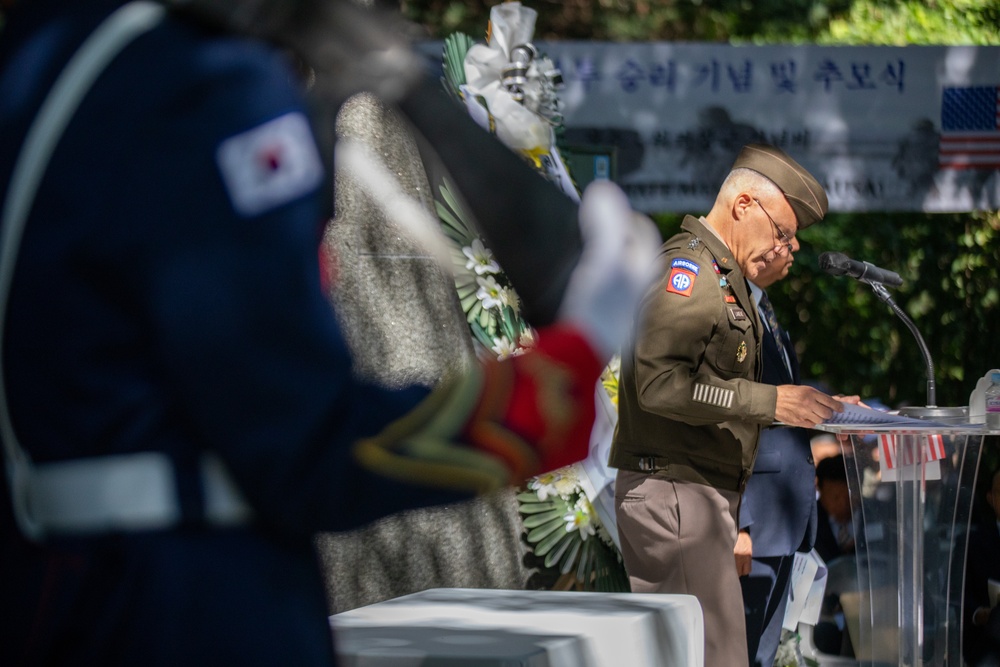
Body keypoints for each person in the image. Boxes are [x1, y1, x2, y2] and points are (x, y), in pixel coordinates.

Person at [0, 1, 660, 665]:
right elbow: (306, 445)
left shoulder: (44, 61)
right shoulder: (208, 86)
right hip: (191, 613)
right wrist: (559, 379)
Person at [610, 142, 844, 667]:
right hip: (676, 492)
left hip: (694, 492)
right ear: (743, 205)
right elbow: (661, 384)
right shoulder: (689, 273)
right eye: (782, 232)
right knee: (714, 659)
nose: (787, 248)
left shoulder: (724, 281)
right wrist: (772, 402)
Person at [737, 235, 824, 667]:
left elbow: (786, 404)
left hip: (785, 519)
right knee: (741, 650)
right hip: (756, 519)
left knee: (765, 656)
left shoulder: (766, 313)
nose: (793, 250)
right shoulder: (728, 313)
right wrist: (737, 521)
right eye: (784, 239)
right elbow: (723, 421)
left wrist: (839, 408)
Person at [963, 465, 1000, 666]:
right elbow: (956, 592)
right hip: (988, 644)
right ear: (991, 498)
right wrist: (978, 613)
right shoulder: (974, 543)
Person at [814, 454, 856, 563]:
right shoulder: (808, 523)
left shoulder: (877, 514)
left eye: (849, 496)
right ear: (820, 492)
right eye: (835, 497)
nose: (843, 504)